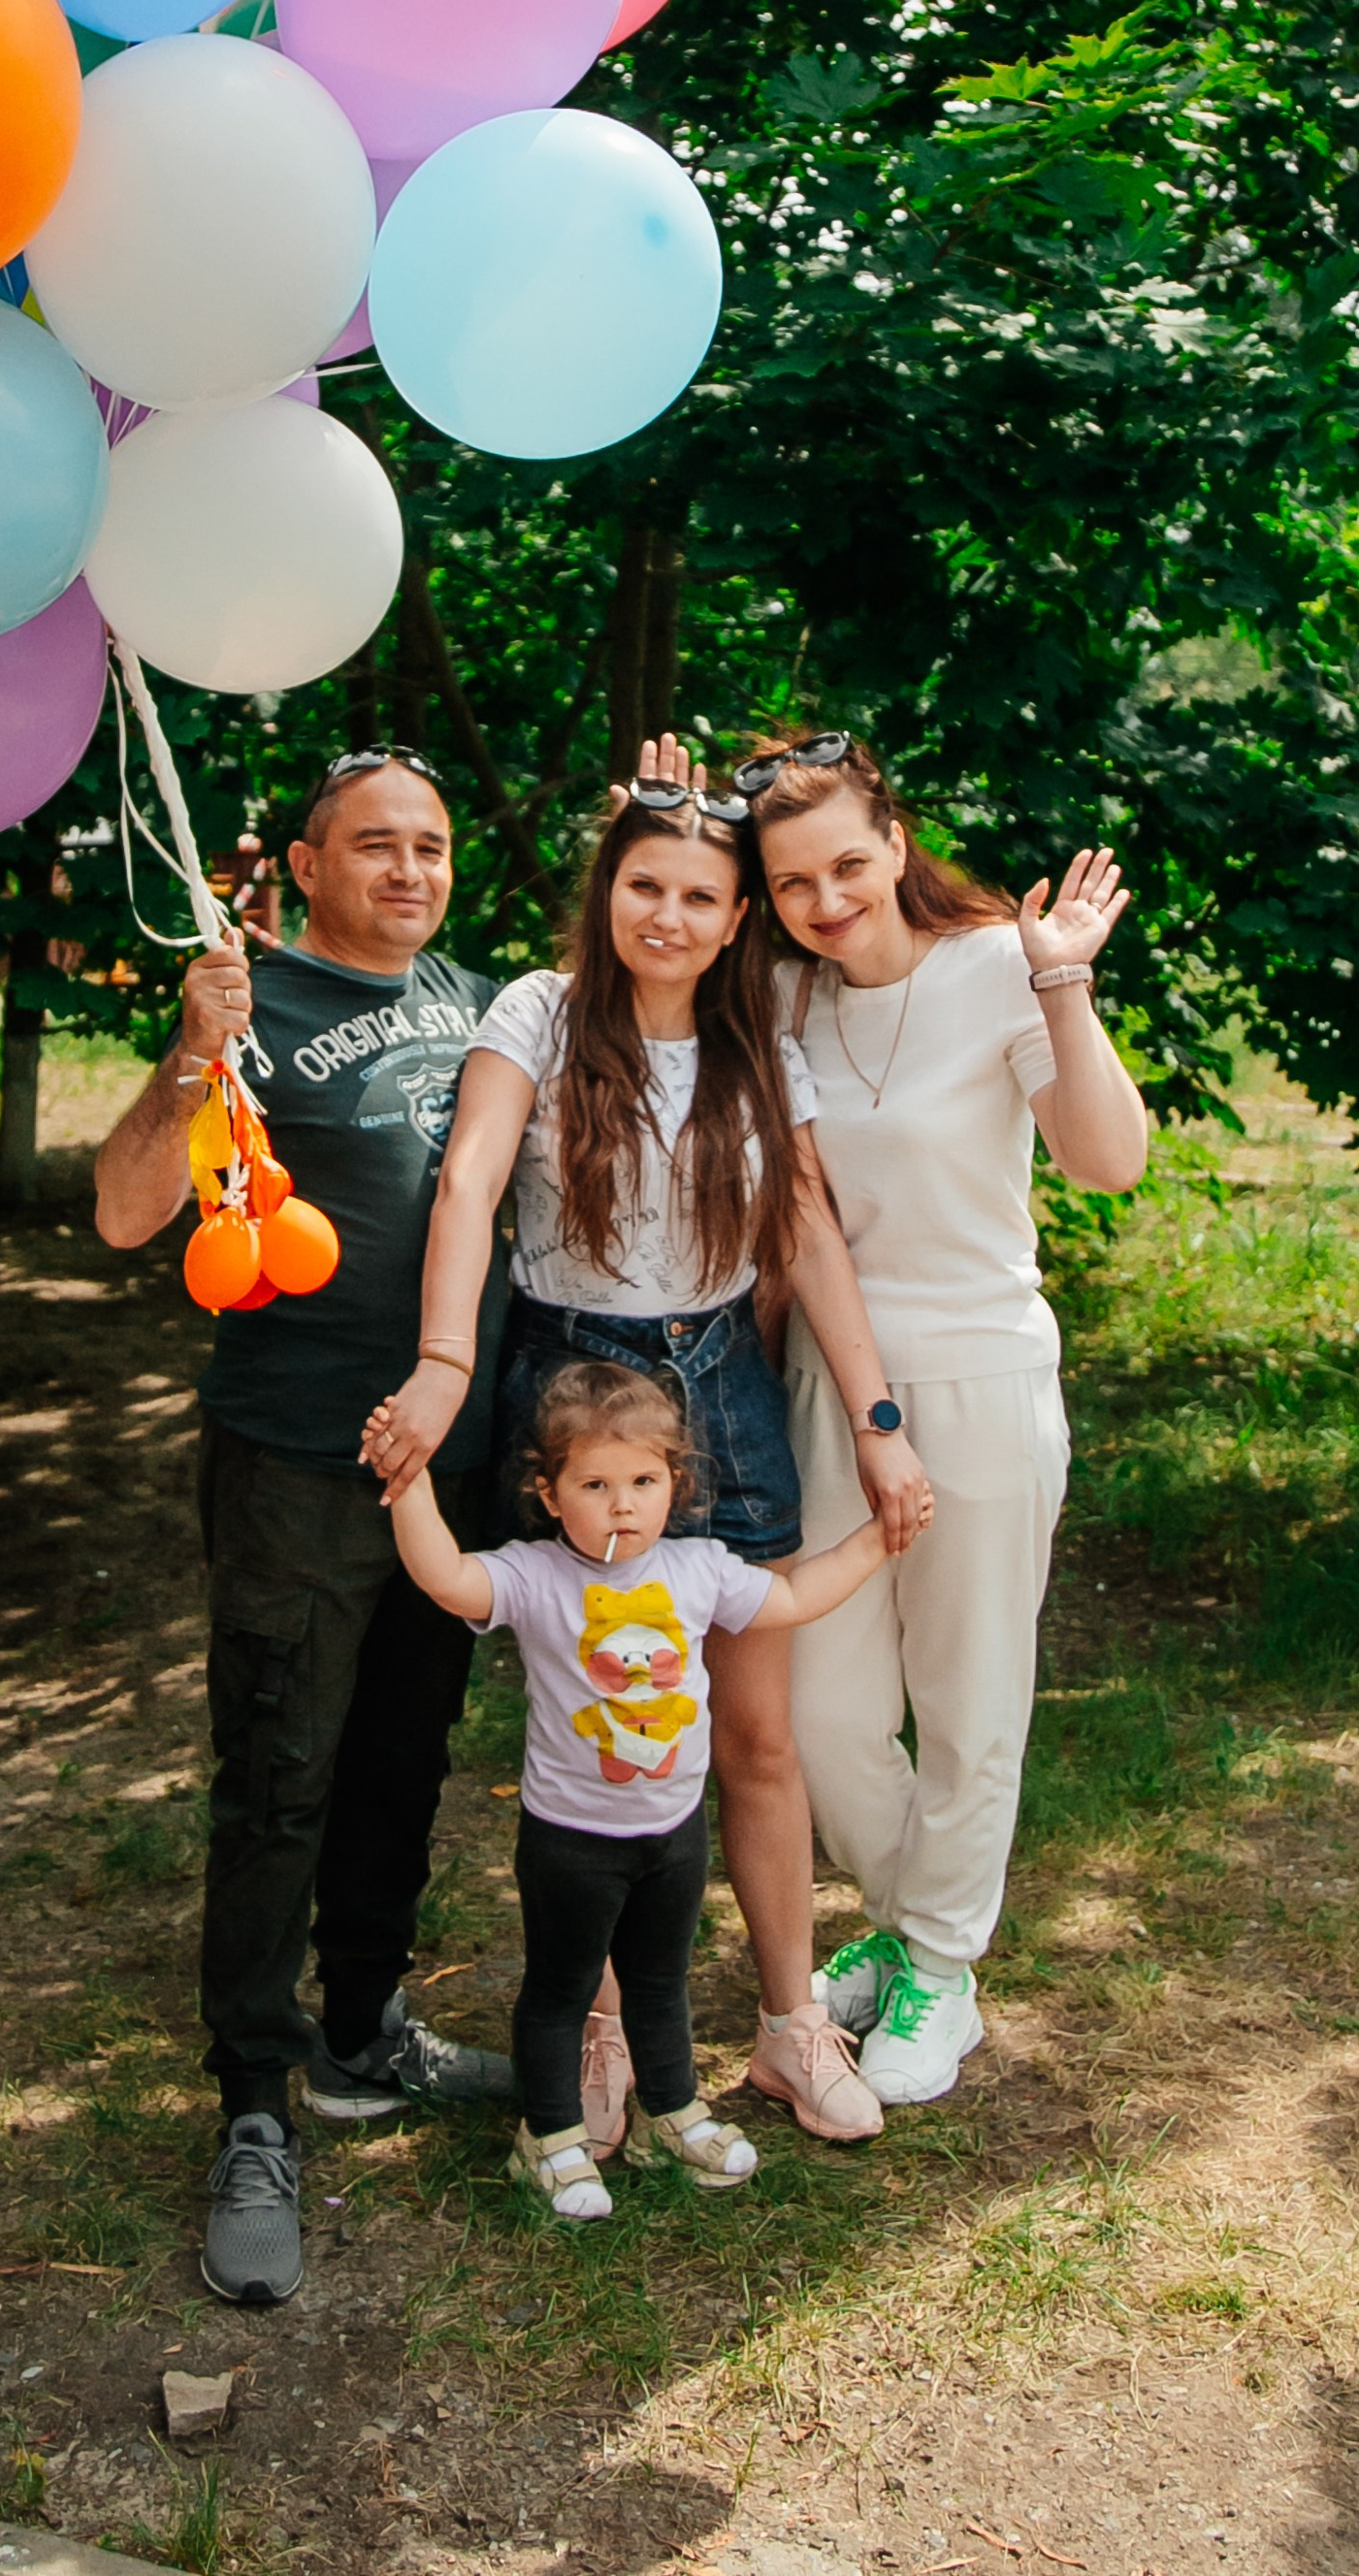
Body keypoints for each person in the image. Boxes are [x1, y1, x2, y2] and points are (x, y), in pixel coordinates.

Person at [369, 784, 919, 2151]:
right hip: (571, 1388)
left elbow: (808, 1237)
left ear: (739, 921)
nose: (666, 917)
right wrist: (445, 1363)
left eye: (699, 896)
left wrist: (876, 1416)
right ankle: (602, 2025)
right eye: (643, 885)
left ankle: (791, 2026)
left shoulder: (754, 1047)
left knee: (756, 1735)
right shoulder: (536, 1015)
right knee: (606, 1732)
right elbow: (470, 1186)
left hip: (722, 1391)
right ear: (606, 888)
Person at [93, 748, 515, 2309]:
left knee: (405, 1758)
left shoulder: (477, 996)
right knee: (282, 1771)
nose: (410, 872)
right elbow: (129, 1212)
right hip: (296, 1462)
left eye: (433, 843)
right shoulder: (248, 1001)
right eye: (377, 847)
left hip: (446, 1467)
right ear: (305, 865)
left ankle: (360, 2035)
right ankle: (256, 2104)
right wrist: (191, 1061)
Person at [736, 727, 1149, 2108]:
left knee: (969, 1699)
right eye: (792, 882)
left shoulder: (996, 970)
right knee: (824, 1703)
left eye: (847, 863)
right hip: (834, 1387)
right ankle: (932, 1939)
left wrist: (1065, 985)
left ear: (897, 842)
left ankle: (935, 1971)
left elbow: (1108, 1161)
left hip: (979, 1373)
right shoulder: (783, 1002)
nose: (826, 899)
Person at [370, 1356, 925, 2220]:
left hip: (672, 1833)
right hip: (569, 1840)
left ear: (675, 1483)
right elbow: (446, 1578)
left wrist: (872, 1539)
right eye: (593, 1483)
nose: (621, 1503)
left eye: (641, 1479)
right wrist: (407, 1482)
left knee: (662, 1988)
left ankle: (672, 2112)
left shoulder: (699, 1569)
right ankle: (549, 2140)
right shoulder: (535, 1575)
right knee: (561, 1993)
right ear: (550, 1496)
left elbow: (793, 1599)